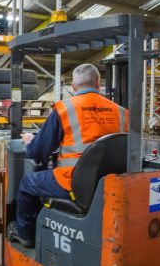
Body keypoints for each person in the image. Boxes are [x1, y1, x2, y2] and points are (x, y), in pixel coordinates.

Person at [8, 63, 128, 248]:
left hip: (71, 182)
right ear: (98, 83)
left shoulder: (65, 109)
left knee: (28, 183)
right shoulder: (122, 113)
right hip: (109, 182)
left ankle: (25, 234)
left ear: (73, 86)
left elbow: (38, 152)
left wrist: (31, 142)